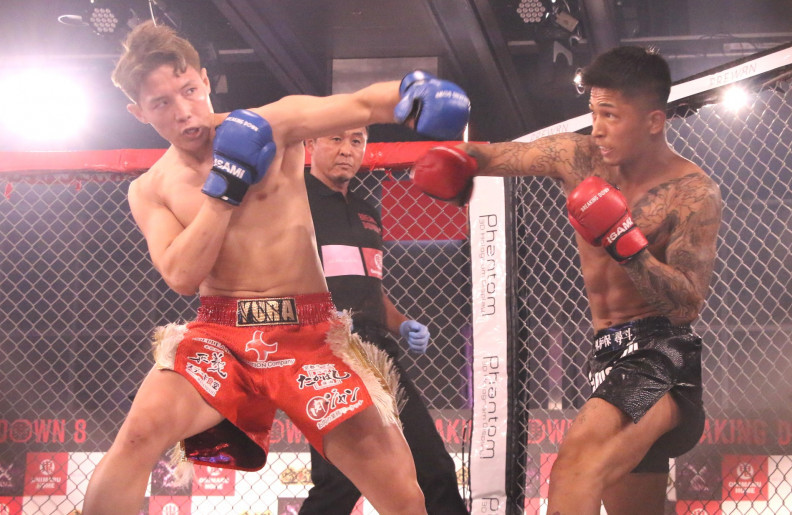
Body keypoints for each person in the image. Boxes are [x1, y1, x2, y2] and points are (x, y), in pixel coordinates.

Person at [82, 21, 469, 515]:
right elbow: (180, 275)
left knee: (402, 492)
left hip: (309, 334)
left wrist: (412, 95)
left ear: (205, 80)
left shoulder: (270, 124)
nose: (183, 111)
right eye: (161, 103)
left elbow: (358, 105)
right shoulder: (150, 188)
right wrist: (225, 189)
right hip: (221, 336)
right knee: (136, 438)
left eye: (189, 91)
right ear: (138, 112)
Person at [411, 46, 722, 514]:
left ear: (654, 121)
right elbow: (503, 155)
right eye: (594, 112)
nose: (597, 128)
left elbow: (687, 304)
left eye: (611, 115)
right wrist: (458, 157)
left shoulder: (692, 191)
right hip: (606, 356)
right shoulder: (578, 157)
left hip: (664, 360)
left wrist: (626, 245)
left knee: (576, 465)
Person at [299, 128, 468, 514]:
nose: (347, 150)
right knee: (339, 480)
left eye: (356, 141)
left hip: (377, 351)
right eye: (335, 139)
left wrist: (402, 323)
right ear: (310, 144)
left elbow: (370, 290)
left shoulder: (366, 210)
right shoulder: (293, 202)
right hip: (323, 351)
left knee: (432, 467)